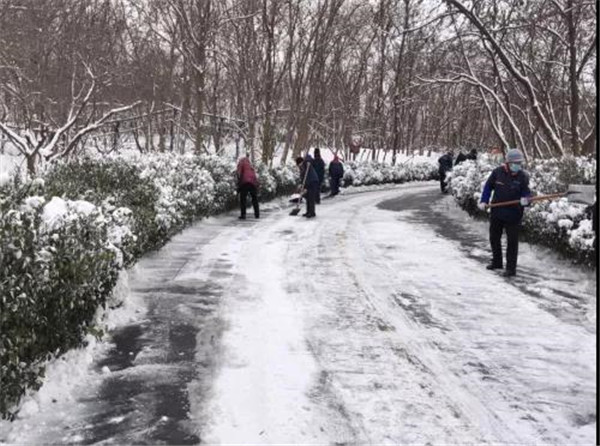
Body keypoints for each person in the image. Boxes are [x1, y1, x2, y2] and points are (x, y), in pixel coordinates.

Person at [477, 148, 532, 277]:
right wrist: (484, 201)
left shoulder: (523, 176)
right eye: (515, 163)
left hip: (514, 213)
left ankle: (510, 268)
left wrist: (526, 200)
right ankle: (497, 262)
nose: (517, 166)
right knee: (494, 238)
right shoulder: (497, 173)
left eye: (519, 163)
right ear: (508, 163)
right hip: (497, 211)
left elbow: (526, 193)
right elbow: (488, 187)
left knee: (512, 241)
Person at [236, 155, 259, 220]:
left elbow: (239, 173)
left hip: (245, 183)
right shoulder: (250, 164)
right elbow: (254, 175)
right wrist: (256, 184)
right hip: (253, 183)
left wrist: (238, 182)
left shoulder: (241, 162)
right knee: (254, 199)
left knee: (243, 199)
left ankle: (243, 215)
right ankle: (257, 214)